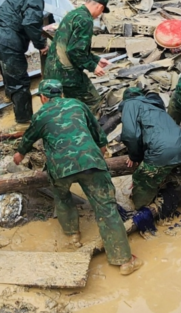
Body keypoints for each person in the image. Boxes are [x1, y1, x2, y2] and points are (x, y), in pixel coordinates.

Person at [14, 80, 142, 275]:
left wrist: (19, 154)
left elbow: (28, 138)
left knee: (62, 198)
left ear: (43, 98)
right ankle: (124, 261)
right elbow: (98, 131)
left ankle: (73, 236)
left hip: (60, 168)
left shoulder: (40, 114)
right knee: (106, 208)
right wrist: (101, 149)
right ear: (62, 94)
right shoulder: (77, 104)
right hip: (91, 162)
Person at [120, 87, 181, 215]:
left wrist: (135, 157)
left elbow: (131, 135)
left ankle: (141, 211)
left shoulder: (130, 104)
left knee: (142, 180)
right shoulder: (155, 106)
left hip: (161, 153)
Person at [0, 0, 52, 124]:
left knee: (8, 72)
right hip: (9, 42)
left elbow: (21, 15)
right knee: (20, 82)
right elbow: (29, 22)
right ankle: (24, 120)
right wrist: (41, 44)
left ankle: (11, 97)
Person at [43, 0, 112, 116]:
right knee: (93, 100)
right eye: (102, 11)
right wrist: (93, 67)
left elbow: (75, 46)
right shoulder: (86, 20)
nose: (99, 15)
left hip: (53, 68)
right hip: (67, 74)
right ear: (100, 7)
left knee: (64, 102)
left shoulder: (73, 14)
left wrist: (96, 59)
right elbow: (75, 51)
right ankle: (82, 129)